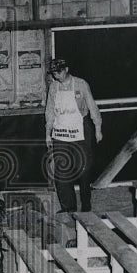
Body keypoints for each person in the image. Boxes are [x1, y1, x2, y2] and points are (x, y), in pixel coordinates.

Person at [44, 58, 103, 214]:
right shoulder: (53, 87)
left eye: (59, 72)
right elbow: (50, 110)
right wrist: (48, 133)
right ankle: (68, 208)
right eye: (54, 73)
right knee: (62, 171)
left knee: (83, 169)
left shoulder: (81, 84)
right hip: (61, 131)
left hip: (80, 128)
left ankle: (86, 206)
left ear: (67, 69)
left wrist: (98, 128)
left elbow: (92, 106)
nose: (57, 76)